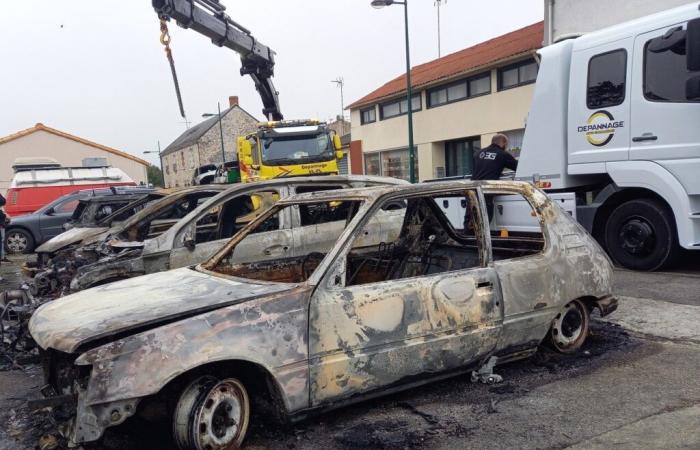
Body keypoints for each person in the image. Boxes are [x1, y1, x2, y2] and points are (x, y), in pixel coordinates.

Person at [472, 134, 519, 223]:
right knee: (485, 219)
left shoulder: (478, 153)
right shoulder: (502, 154)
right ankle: (481, 237)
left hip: (472, 189)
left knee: (471, 217)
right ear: (504, 143)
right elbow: (518, 167)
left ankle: (468, 235)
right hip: (486, 191)